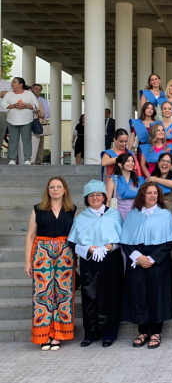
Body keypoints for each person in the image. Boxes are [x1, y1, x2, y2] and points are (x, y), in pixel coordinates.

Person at [67, 180, 124, 347]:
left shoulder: (114, 214)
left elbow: (122, 237)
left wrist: (109, 246)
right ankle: (90, 333)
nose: (95, 198)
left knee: (110, 295)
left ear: (104, 197)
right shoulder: (81, 217)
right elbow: (72, 242)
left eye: (98, 194)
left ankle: (109, 333)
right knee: (89, 296)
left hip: (110, 259)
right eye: (91, 195)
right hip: (89, 260)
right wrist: (89, 249)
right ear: (86, 199)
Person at [121, 182, 172, 349]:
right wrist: (138, 257)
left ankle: (156, 332)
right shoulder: (133, 214)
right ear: (142, 195)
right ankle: (143, 331)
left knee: (156, 295)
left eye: (155, 193)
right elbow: (125, 240)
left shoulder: (165, 214)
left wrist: (151, 259)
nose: (152, 196)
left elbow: (169, 241)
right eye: (149, 193)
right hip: (137, 259)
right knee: (139, 294)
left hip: (158, 260)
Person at [25, 177, 77, 350]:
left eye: (59, 186)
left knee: (63, 293)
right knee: (42, 294)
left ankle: (58, 334)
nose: (55, 189)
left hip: (66, 253)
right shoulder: (38, 209)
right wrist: (27, 262)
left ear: (65, 190)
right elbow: (30, 236)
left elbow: (77, 235)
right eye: (52, 187)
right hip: (42, 252)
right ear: (48, 190)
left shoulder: (72, 210)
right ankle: (43, 335)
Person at [147, 152, 172, 299]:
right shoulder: (149, 181)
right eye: (162, 160)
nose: (165, 163)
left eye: (168, 161)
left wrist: (154, 179)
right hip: (153, 213)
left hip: (171, 213)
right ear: (158, 163)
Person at [2, 77, 38, 165]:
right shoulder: (9, 94)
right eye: (12, 82)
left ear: (21, 84)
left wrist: (26, 106)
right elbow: (3, 104)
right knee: (13, 140)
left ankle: (27, 159)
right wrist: (14, 105)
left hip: (26, 120)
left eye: (14, 82)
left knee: (26, 139)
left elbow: (35, 106)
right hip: (12, 120)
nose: (12, 84)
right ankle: (12, 159)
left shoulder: (29, 94)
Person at [106, 152, 145, 221]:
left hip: (136, 215)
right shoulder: (114, 179)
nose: (131, 163)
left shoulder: (139, 180)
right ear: (120, 164)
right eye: (128, 161)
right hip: (118, 216)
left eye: (132, 161)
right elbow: (108, 200)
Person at [31, 83, 50, 164]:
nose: (37, 90)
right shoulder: (28, 99)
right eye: (36, 88)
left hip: (39, 123)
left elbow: (48, 114)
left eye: (39, 89)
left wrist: (40, 114)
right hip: (27, 123)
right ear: (32, 89)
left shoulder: (43, 101)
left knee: (40, 144)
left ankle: (38, 162)